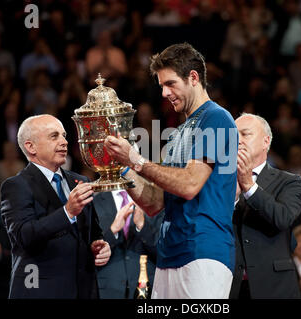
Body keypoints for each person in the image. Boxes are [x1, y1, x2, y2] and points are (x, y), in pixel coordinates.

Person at [104, 42, 238, 299]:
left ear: (194, 78)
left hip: (203, 251)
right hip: (169, 254)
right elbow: (154, 202)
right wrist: (121, 167)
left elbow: (189, 185)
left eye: (171, 84)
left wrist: (135, 160)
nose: (164, 93)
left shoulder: (217, 118)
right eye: (161, 86)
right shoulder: (178, 134)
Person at [0, 114, 111, 299]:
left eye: (64, 135)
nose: (64, 142)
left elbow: (93, 232)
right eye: (54, 136)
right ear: (30, 146)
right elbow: (24, 235)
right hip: (40, 291)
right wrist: (67, 212)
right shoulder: (16, 186)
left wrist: (99, 245)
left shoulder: (81, 181)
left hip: (84, 290)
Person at [229, 113, 301, 299]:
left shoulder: (289, 182)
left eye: (245, 134)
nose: (237, 140)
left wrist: (249, 186)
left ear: (266, 141)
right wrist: (233, 201)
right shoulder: (219, 181)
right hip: (229, 285)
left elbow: (282, 218)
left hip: (274, 286)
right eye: (233, 135)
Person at [93, 190, 163, 298]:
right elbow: (87, 251)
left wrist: (142, 226)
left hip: (147, 287)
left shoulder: (153, 200)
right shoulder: (94, 201)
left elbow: (163, 251)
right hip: (108, 290)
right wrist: (113, 231)